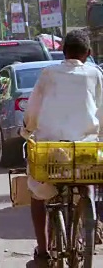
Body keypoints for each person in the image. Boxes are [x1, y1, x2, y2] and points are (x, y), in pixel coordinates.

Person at [21, 30, 103, 266]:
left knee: (37, 194)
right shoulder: (95, 74)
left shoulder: (48, 73)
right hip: (84, 151)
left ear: (63, 52)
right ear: (87, 54)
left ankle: (43, 252)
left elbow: (33, 111)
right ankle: (88, 219)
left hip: (51, 151)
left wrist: (26, 131)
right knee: (86, 181)